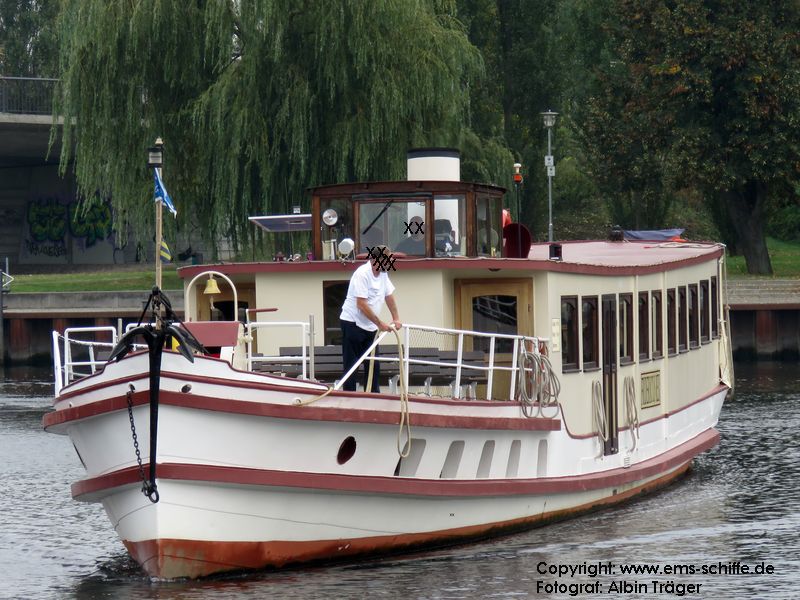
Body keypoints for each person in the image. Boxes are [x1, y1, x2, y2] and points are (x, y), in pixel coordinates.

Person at [339, 246, 402, 392]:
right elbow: (361, 304)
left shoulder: (383, 274)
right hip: (352, 323)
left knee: (374, 365)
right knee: (352, 365)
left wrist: (396, 318)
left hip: (371, 327)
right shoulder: (362, 274)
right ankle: (349, 397)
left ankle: (373, 396)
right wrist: (380, 324)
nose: (389, 262)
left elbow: (389, 296)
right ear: (376, 259)